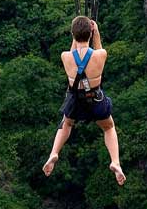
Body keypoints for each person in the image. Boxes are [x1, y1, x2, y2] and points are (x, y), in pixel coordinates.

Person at [42, 16, 126, 186]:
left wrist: (76, 35)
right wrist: (96, 34)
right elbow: (98, 49)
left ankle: (54, 153)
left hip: (76, 100)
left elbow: (74, 53)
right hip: (95, 99)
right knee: (109, 127)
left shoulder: (65, 56)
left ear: (73, 35)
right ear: (90, 34)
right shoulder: (100, 55)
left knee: (66, 124)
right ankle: (115, 162)